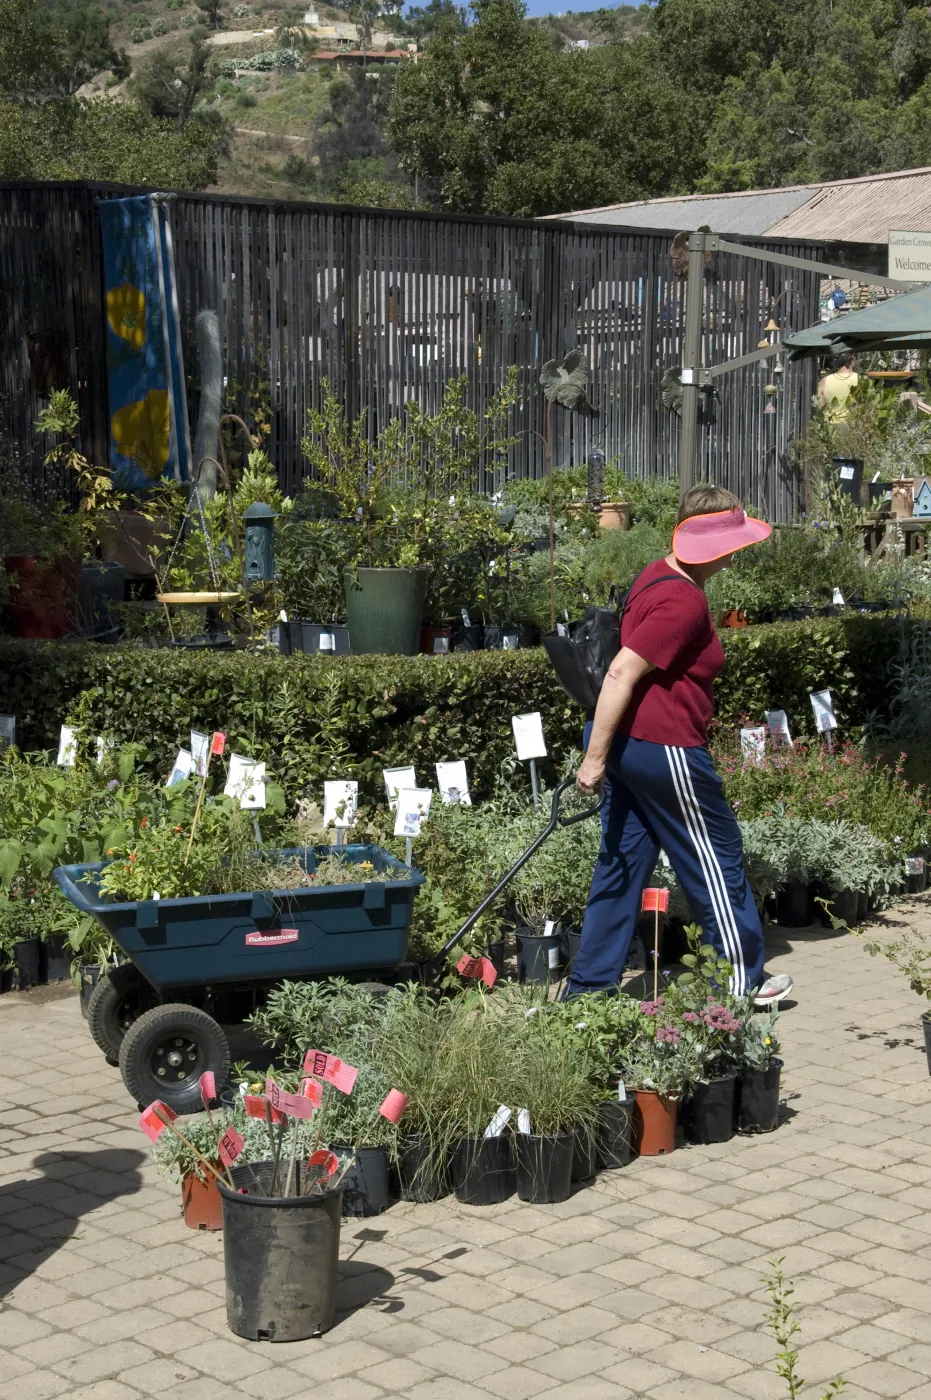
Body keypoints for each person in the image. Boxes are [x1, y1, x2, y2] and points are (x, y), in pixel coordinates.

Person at [571, 484, 793, 1008]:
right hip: (661, 748)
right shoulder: (684, 600)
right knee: (717, 857)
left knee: (622, 862)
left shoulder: (657, 574)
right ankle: (741, 981)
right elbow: (622, 672)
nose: (737, 553)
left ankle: (588, 990)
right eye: (732, 542)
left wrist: (604, 754)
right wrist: (593, 759)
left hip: (631, 746)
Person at [818, 353, 859, 421]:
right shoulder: (860, 379)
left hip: (830, 426)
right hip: (853, 425)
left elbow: (820, 407)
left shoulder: (824, 381)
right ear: (852, 361)